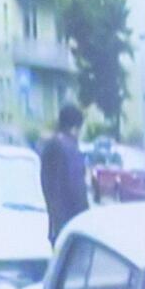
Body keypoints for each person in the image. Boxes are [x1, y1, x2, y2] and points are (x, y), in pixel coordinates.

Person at [39, 103, 89, 245]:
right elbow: (76, 187)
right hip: (70, 223)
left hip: (55, 221)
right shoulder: (70, 149)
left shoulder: (49, 145)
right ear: (75, 128)